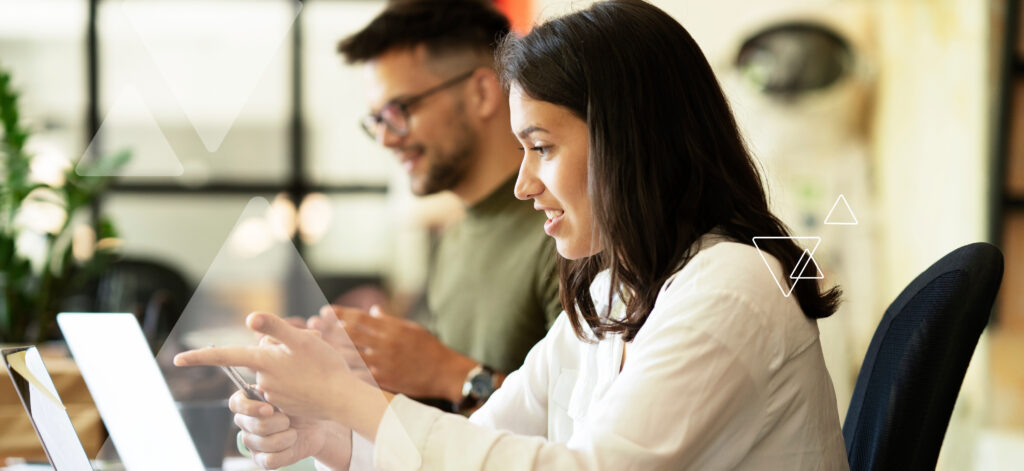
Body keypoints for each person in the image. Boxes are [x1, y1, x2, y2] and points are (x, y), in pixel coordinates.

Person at [175, 1, 849, 469]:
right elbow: (491, 440)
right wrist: (332, 437)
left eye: (542, 147)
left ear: (629, 144)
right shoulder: (614, 288)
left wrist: (353, 399)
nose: (526, 184)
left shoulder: (730, 286)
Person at [315, 0, 562, 411]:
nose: (386, 139)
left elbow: (576, 428)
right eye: (376, 120)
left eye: (399, 111)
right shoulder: (454, 238)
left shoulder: (562, 230)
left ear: (482, 93)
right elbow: (451, 413)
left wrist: (446, 372)